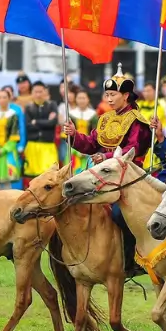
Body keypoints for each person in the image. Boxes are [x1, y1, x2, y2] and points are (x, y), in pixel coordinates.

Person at [61, 64, 152, 269]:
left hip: (127, 178)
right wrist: (74, 135)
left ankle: (132, 257)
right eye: (107, 94)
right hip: (100, 174)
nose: (109, 98)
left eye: (113, 94)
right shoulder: (105, 118)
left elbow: (133, 150)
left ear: (126, 95)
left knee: (119, 214)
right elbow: (91, 144)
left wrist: (106, 156)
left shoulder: (138, 121)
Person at [23, 81, 59, 185]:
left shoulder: (52, 105)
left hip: (48, 145)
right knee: (32, 178)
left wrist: (36, 122)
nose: (38, 94)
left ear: (45, 92)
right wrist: (46, 122)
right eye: (36, 92)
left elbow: (53, 122)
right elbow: (28, 126)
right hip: (32, 145)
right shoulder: (29, 107)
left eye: (41, 91)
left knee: (50, 175)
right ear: (32, 93)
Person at [137, 82, 166, 171]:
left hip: (152, 141)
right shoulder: (139, 105)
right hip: (139, 140)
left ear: (155, 91)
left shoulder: (159, 108)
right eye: (144, 91)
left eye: (149, 91)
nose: (146, 93)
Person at [68, 89, 98, 173]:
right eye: (79, 98)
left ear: (88, 99)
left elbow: (95, 133)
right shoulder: (71, 114)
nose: (81, 100)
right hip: (73, 149)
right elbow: (68, 135)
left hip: (89, 148)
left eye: (84, 98)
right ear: (76, 99)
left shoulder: (93, 115)